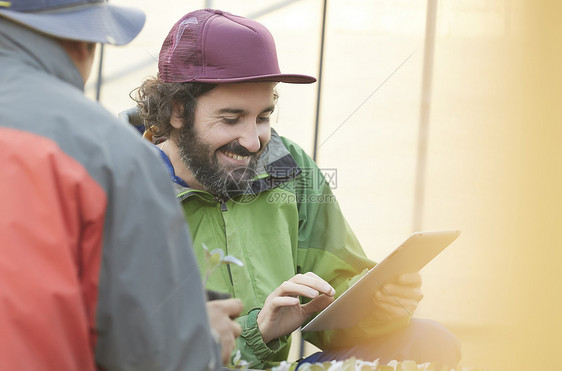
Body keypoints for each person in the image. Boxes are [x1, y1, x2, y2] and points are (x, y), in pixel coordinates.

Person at [129, 8, 462, 370]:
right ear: (178, 111)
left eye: (263, 117)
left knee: (428, 344)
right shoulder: (124, 192)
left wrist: (378, 302)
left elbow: (335, 298)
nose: (254, 141)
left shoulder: (288, 166)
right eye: (231, 118)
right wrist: (258, 330)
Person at [0, 1, 242, 370]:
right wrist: (205, 341)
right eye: (231, 116)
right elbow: (161, 359)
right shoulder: (112, 156)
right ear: (84, 42)